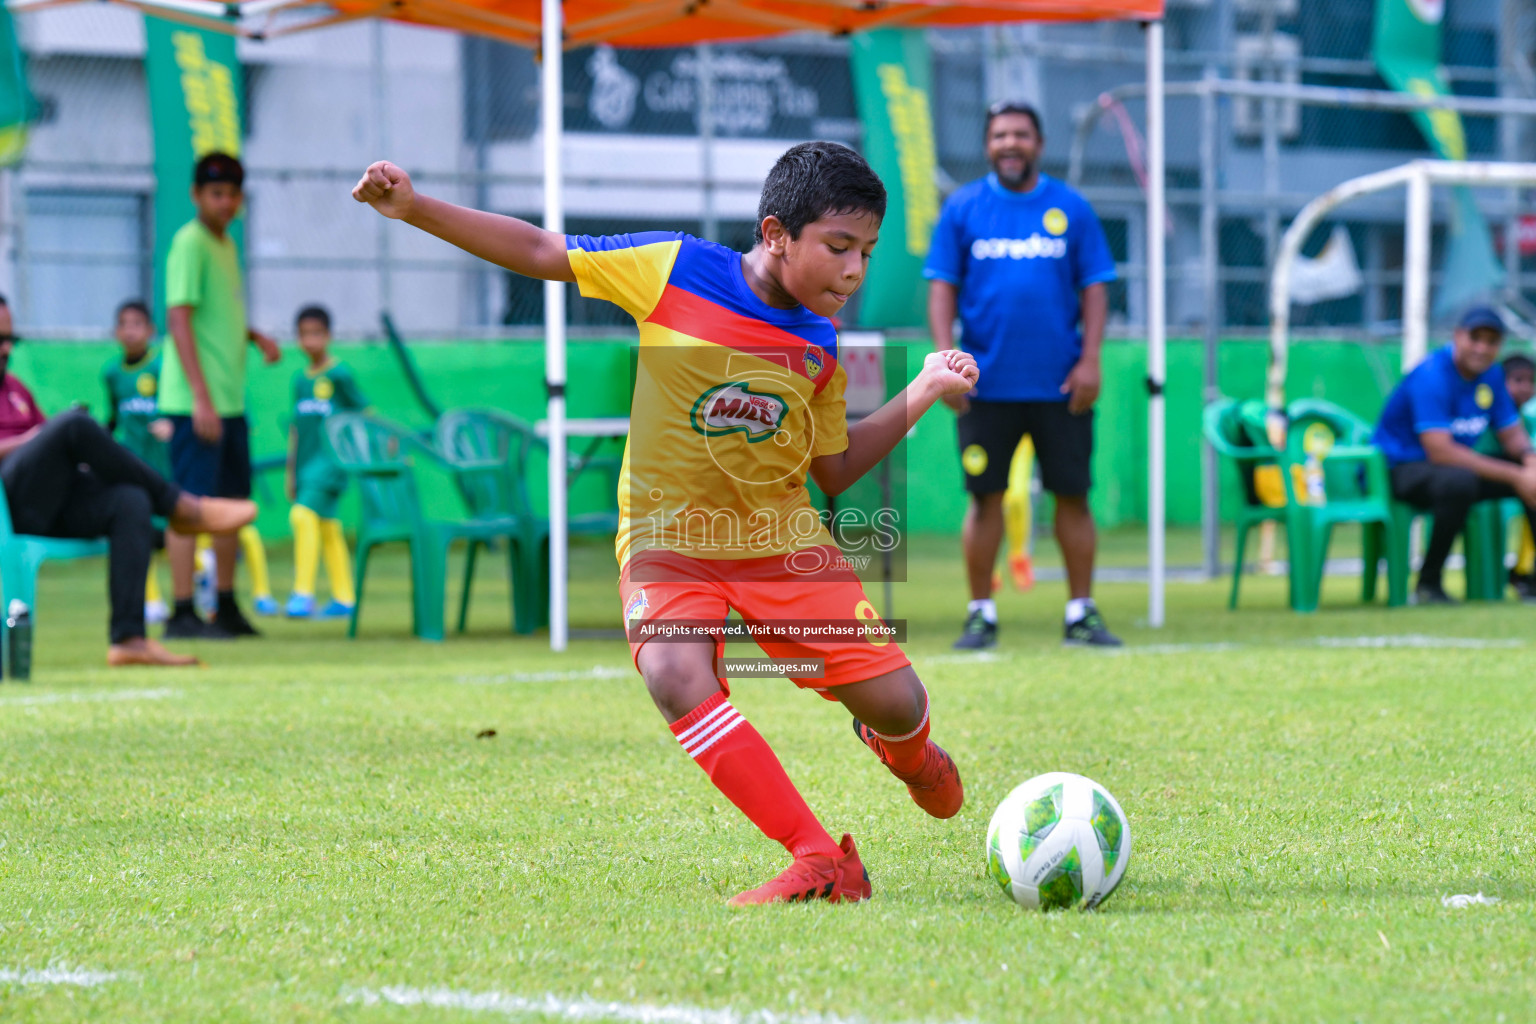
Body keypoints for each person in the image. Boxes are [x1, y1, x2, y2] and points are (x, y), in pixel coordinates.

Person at [354, 142, 979, 906]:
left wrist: (920, 390)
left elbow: (835, 470)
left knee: (900, 704)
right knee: (675, 675)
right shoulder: (674, 267)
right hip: (667, 543)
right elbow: (542, 248)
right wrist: (415, 208)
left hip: (780, 547)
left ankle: (903, 750)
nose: (855, 271)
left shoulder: (818, 343)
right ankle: (820, 859)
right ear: (778, 233)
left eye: (867, 253)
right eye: (840, 248)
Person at [924, 100, 1120, 650]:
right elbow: (942, 287)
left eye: (1021, 135)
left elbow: (1096, 286)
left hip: (1062, 386)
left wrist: (1091, 360)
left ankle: (1081, 612)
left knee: (1073, 496)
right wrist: (946, 365)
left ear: (1039, 143)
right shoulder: (962, 209)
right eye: (1000, 135)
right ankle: (980, 612)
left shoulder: (1071, 208)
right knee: (985, 500)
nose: (1011, 143)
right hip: (984, 388)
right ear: (987, 145)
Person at [0, 296, 257, 666]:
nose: (7, 348)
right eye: (0, 339)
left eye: (12, 339)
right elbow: (36, 442)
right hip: (6, 508)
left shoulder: (17, 390)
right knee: (72, 427)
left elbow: (43, 444)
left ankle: (129, 639)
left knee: (129, 499)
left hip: (47, 503)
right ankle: (179, 505)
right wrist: (35, 440)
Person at [158, 152, 280, 640]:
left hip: (228, 401)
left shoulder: (226, 245)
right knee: (188, 506)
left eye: (233, 194)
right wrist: (201, 399)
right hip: (197, 404)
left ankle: (224, 606)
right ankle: (182, 610)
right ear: (195, 195)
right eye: (216, 193)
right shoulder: (188, 243)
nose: (225, 202)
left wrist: (253, 335)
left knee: (231, 503)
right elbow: (179, 319)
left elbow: (215, 316)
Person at [1372, 307, 1536, 604]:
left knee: (1529, 477)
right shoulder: (1431, 375)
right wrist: (1517, 476)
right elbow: (1440, 450)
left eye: (1491, 342)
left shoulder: (1492, 376)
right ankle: (1428, 583)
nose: (1482, 348)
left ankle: (1530, 580)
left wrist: (1530, 462)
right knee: (1460, 482)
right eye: (1475, 338)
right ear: (1458, 336)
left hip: (1455, 468)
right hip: (1401, 469)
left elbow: (1512, 434)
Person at [284, 304, 364, 619]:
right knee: (328, 527)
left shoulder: (340, 373)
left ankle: (302, 594)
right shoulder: (300, 380)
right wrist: (291, 472)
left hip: (331, 464)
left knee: (302, 517)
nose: (310, 341)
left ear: (328, 336)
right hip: (306, 465)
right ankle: (344, 597)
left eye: (316, 333)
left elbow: (364, 414)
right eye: (303, 334)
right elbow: (296, 430)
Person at [102, 300, 172, 624]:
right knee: (136, 528)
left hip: (163, 467)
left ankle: (203, 574)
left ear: (150, 330)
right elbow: (113, 417)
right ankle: (151, 599)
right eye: (123, 325)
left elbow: (175, 412)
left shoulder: (162, 368)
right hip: (130, 467)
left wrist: (170, 424)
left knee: (173, 532)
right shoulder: (112, 373)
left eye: (137, 324)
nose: (130, 331)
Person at [1500, 353, 1536, 599]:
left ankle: (1523, 573)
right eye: (1517, 380)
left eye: (1530, 381)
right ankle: (1521, 574)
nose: (1525, 387)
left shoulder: (1528, 417)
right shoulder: (1494, 410)